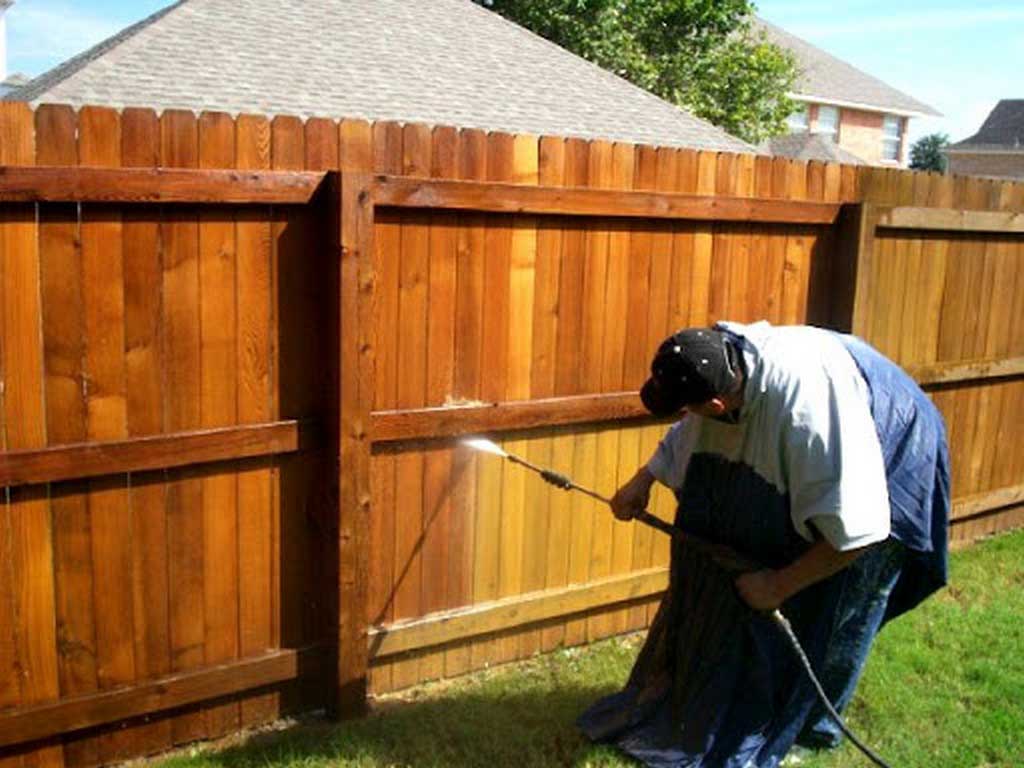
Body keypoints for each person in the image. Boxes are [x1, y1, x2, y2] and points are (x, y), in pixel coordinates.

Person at [577, 321, 950, 768]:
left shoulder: (811, 419)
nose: (686, 415)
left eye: (690, 408)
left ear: (716, 402)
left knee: (844, 599)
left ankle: (811, 724)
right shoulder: (718, 359)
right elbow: (689, 429)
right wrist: (645, 479)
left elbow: (861, 534)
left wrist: (778, 585)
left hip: (896, 446)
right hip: (822, 420)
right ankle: (739, 699)